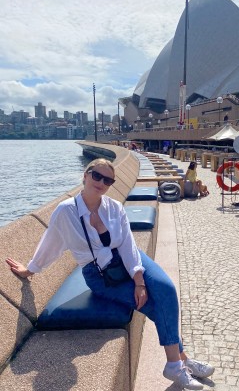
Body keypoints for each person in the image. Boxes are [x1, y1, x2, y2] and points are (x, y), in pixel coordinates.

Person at [5, 158, 213, 390]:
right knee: (154, 306)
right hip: (100, 274)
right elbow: (50, 244)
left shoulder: (113, 207)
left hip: (127, 259)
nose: (101, 183)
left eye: (108, 180)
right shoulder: (66, 211)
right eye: (97, 176)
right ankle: (177, 363)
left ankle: (179, 362)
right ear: (85, 175)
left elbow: (127, 245)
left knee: (167, 289)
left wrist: (139, 280)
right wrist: (30, 269)